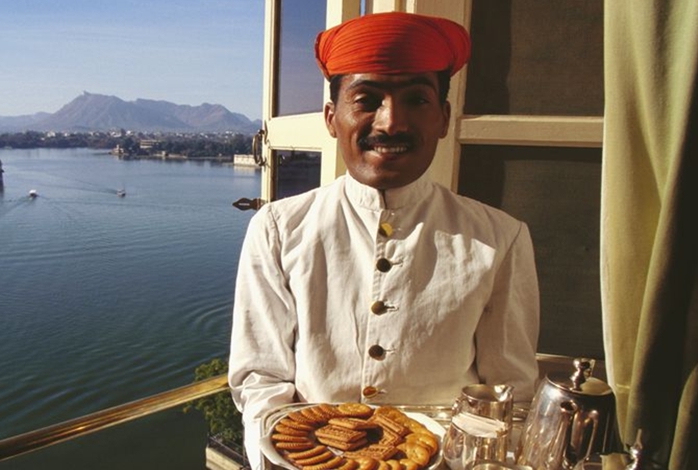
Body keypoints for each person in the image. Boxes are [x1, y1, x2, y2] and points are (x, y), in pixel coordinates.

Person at [227, 11, 540, 469]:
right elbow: (261, 379)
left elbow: (508, 394)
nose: (391, 122)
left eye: (416, 99)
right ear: (333, 119)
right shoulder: (278, 228)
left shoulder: (499, 238)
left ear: (444, 118)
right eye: (367, 99)